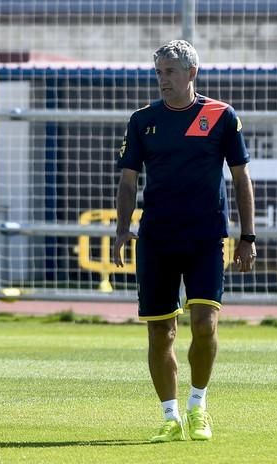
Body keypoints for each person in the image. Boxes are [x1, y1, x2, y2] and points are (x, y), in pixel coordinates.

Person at [112, 40, 256, 443]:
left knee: (205, 324)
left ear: (192, 73)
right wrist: (123, 229)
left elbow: (242, 177)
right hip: (157, 238)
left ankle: (198, 407)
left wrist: (247, 235)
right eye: (158, 72)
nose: (163, 80)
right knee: (161, 332)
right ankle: (169, 416)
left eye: (170, 71)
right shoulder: (143, 120)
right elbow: (128, 180)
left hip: (206, 236)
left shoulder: (220, 116)